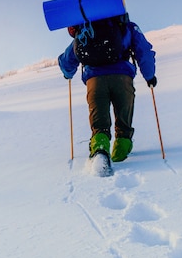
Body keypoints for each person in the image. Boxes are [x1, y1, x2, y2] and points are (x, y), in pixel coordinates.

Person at [58, 13, 157, 162]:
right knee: (124, 118)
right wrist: (149, 76)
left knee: (99, 121)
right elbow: (144, 51)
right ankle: (121, 150)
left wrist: (68, 74)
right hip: (122, 78)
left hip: (95, 80)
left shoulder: (86, 30)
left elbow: (68, 59)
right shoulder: (126, 26)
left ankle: (100, 150)